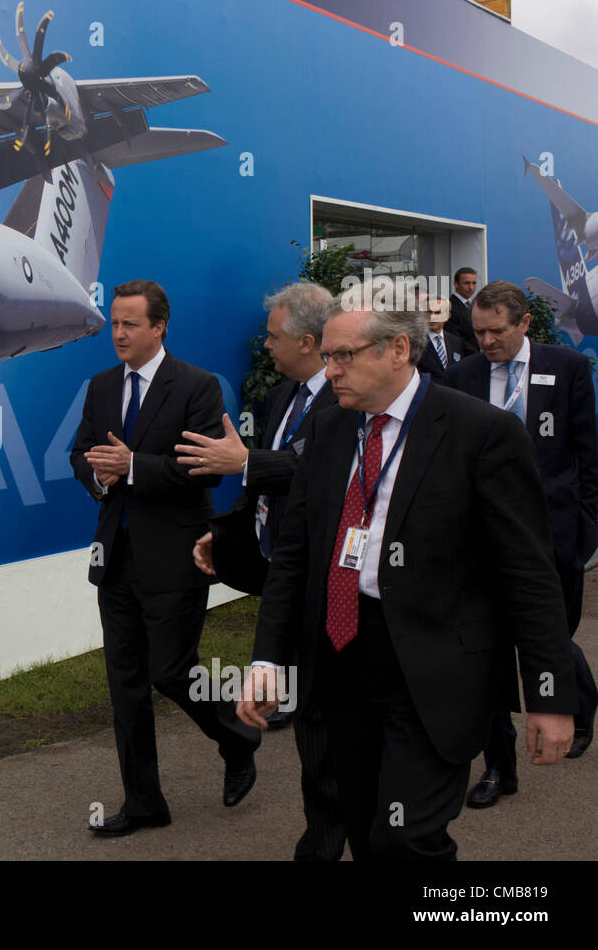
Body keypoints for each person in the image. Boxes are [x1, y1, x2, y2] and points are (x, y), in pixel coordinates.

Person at [237, 280, 576, 860]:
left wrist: (548, 694)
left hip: (433, 668)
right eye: (327, 357)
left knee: (406, 840)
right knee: (366, 827)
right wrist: (267, 658)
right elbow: (296, 556)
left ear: (397, 350)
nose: (331, 370)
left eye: (343, 356)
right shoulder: (327, 428)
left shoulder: (482, 434)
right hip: (342, 661)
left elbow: (529, 575)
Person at [71, 279, 260, 837]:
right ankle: (144, 802)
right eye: (114, 323)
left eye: (131, 324)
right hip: (117, 556)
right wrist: (101, 476)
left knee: (171, 671)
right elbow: (81, 454)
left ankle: (236, 736)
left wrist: (132, 467)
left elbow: (201, 468)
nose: (119, 333)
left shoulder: (197, 387)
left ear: (160, 327)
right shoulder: (101, 386)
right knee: (123, 682)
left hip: (178, 554)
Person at [178, 281, 346, 861]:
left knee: (330, 713)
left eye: (273, 337)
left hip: (334, 580)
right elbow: (265, 493)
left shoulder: (345, 400)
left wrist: (245, 460)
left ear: (306, 339)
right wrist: (222, 537)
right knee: (308, 708)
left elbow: (312, 468)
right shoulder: (281, 396)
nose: (265, 346)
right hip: (282, 568)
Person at [445, 280, 598, 809]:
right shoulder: (461, 375)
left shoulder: (568, 367)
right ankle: (499, 768)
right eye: (480, 331)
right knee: (487, 654)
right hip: (482, 540)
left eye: (497, 332)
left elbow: (587, 454)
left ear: (525, 323)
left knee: (554, 634)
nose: (486, 341)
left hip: (553, 536)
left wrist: (586, 525)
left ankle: (580, 698)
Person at [416, 294, 464, 383]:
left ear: (448, 316)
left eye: (438, 312)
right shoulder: (415, 341)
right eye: (428, 312)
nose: (432, 317)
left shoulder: (455, 341)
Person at [446, 267, 480, 352]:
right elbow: (455, 338)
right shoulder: (449, 306)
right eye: (467, 283)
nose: (471, 287)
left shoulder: (475, 305)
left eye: (474, 283)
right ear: (456, 284)